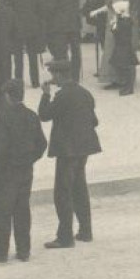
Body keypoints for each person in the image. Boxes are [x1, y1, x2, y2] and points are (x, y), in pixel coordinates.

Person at [0, 79, 47, 264]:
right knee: (22, 210)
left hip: (6, 173)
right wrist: (28, 160)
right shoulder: (31, 116)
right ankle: (23, 250)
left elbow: (0, 150)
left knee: (2, 212)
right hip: (26, 171)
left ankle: (0, 251)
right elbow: (42, 144)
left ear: (8, 96)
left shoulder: (4, 117)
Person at [39, 58, 99, 247]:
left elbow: (44, 115)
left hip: (67, 150)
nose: (51, 78)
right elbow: (94, 121)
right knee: (79, 188)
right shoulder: (85, 93)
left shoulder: (62, 96)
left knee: (63, 193)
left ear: (58, 75)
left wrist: (45, 95)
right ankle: (85, 230)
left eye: (53, 74)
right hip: (84, 148)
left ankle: (65, 236)